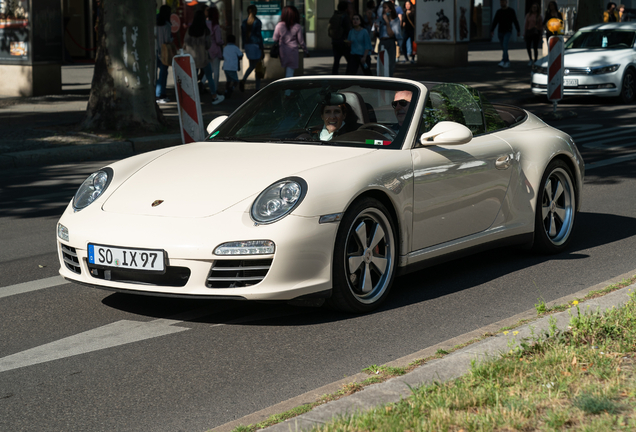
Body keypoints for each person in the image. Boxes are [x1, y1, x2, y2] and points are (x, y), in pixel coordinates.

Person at [184, 10, 224, 104]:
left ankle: (191, 97)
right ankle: (214, 96)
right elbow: (208, 45)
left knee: (192, 78)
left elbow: (184, 44)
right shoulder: (205, 30)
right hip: (203, 59)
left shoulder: (189, 30)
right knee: (209, 77)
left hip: (191, 59)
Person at [273, 6, 309, 78]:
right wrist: (306, 51)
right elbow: (301, 42)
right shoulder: (297, 26)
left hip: (282, 51)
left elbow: (274, 38)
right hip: (293, 52)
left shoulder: (279, 25)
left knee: (287, 70)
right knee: (290, 72)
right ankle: (288, 88)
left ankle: (287, 87)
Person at [240, 5, 264, 92]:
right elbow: (259, 36)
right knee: (257, 67)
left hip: (248, 46)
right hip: (256, 45)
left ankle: (244, 80)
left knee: (252, 65)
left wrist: (244, 46)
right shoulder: (257, 22)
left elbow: (242, 36)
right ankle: (257, 87)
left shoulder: (244, 22)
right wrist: (262, 48)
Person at [490, 0, 520, 69]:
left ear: (506, 2)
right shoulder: (499, 12)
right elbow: (495, 21)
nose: (501, 3)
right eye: (501, 2)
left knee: (505, 45)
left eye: (503, 2)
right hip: (500, 31)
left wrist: (518, 30)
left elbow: (515, 21)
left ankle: (504, 61)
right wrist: (492, 30)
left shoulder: (511, 11)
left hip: (508, 31)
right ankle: (507, 60)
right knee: (504, 47)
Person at [376, 1, 402, 77]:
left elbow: (391, 33)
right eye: (382, 7)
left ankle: (389, 78)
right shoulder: (381, 20)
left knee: (390, 63)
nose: (383, 9)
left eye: (385, 7)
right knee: (381, 62)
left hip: (390, 41)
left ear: (390, 9)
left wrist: (387, 22)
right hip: (382, 41)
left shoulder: (395, 20)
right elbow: (376, 32)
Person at [204, 7, 224, 98]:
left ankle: (202, 83)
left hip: (207, 49)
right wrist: (223, 42)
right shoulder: (215, 26)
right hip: (215, 49)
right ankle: (215, 88)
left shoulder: (205, 24)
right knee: (215, 70)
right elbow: (218, 40)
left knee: (209, 69)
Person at [155, 5, 172, 104]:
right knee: (163, 73)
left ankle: (158, 94)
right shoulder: (167, 25)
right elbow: (167, 40)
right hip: (164, 52)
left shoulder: (155, 24)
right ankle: (161, 94)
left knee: (157, 74)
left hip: (155, 50)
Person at [329, 1, 352, 74]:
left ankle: (334, 75)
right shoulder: (345, 16)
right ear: (346, 8)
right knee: (350, 60)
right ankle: (348, 75)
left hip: (335, 41)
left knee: (336, 61)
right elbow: (348, 29)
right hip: (343, 41)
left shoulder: (335, 15)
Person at [222, 34, 243, 99]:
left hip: (226, 67)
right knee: (236, 81)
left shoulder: (225, 48)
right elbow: (240, 55)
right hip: (232, 67)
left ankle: (226, 91)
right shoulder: (235, 48)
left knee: (228, 80)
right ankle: (231, 89)